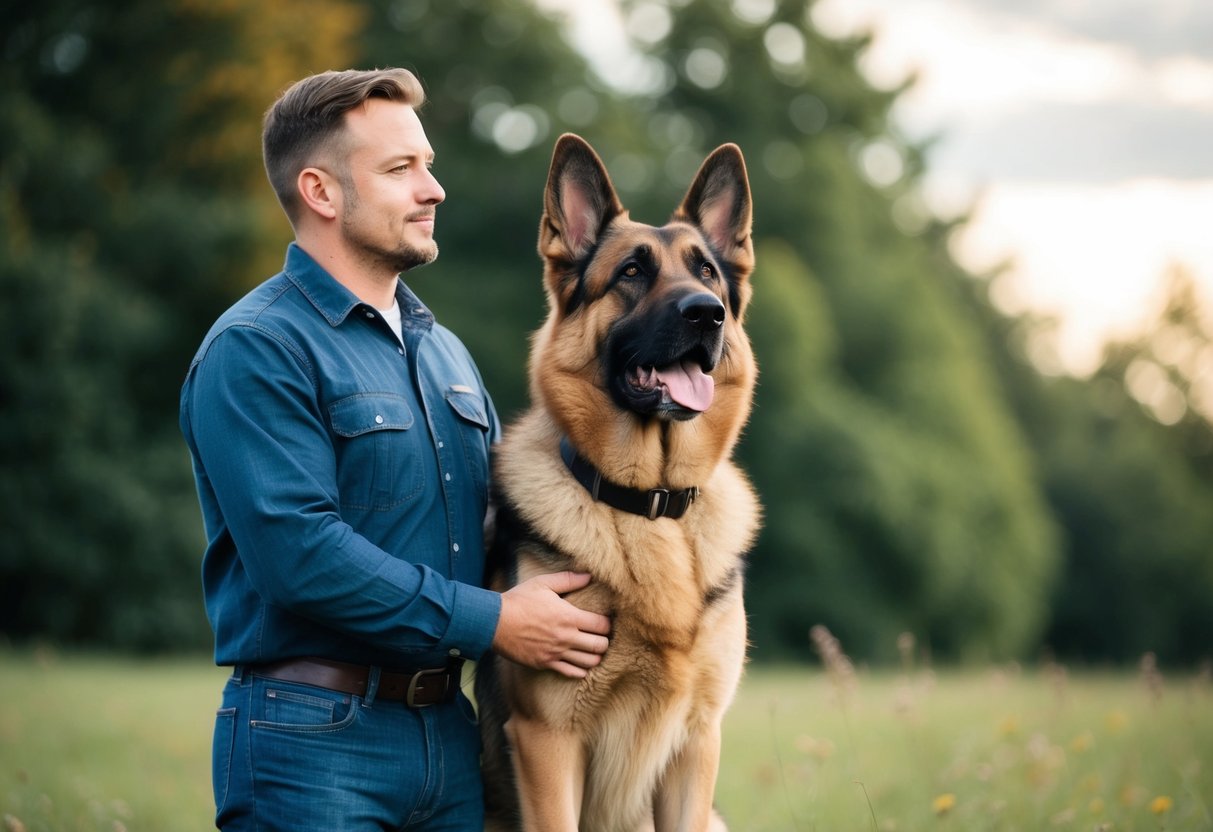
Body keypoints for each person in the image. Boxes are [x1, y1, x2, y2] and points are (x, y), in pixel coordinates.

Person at [179, 68, 611, 831]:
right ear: (321, 192)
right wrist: (493, 622)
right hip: (313, 738)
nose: (433, 188)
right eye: (400, 169)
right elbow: (301, 556)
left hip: (451, 738)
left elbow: (491, 532)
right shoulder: (256, 349)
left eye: (430, 164)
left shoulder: (443, 351)